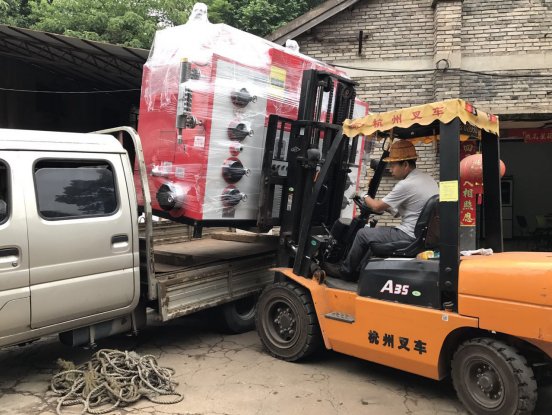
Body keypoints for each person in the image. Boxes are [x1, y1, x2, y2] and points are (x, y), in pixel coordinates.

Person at [323, 140, 439, 281]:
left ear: (405, 165)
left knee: (362, 234)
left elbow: (377, 206)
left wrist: (363, 195)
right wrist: (385, 207)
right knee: (373, 237)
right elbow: (407, 209)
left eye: (393, 166)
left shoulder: (406, 184)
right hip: (422, 235)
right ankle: (360, 271)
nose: (390, 170)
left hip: (408, 235)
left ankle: (345, 271)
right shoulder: (427, 179)